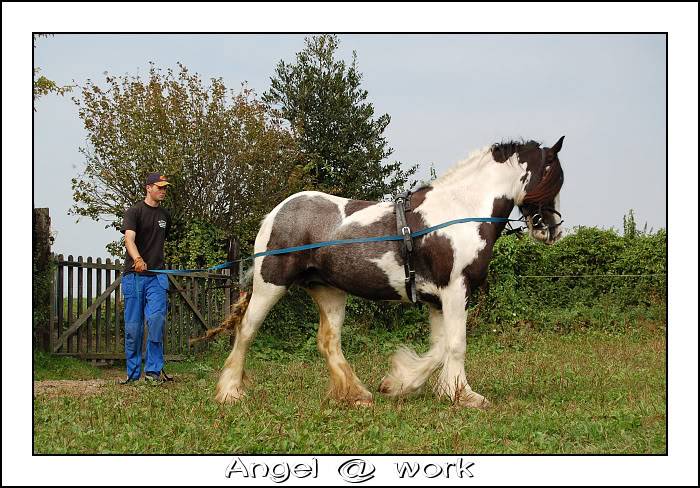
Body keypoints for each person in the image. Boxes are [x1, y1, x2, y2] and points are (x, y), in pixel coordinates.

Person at [119, 173, 174, 384]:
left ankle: (153, 372)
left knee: (156, 321)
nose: (163, 191)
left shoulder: (165, 216)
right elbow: (129, 239)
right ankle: (132, 375)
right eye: (159, 187)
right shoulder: (134, 212)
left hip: (157, 277)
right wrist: (138, 259)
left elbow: (159, 241)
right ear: (148, 188)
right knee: (133, 327)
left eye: (165, 188)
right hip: (135, 276)